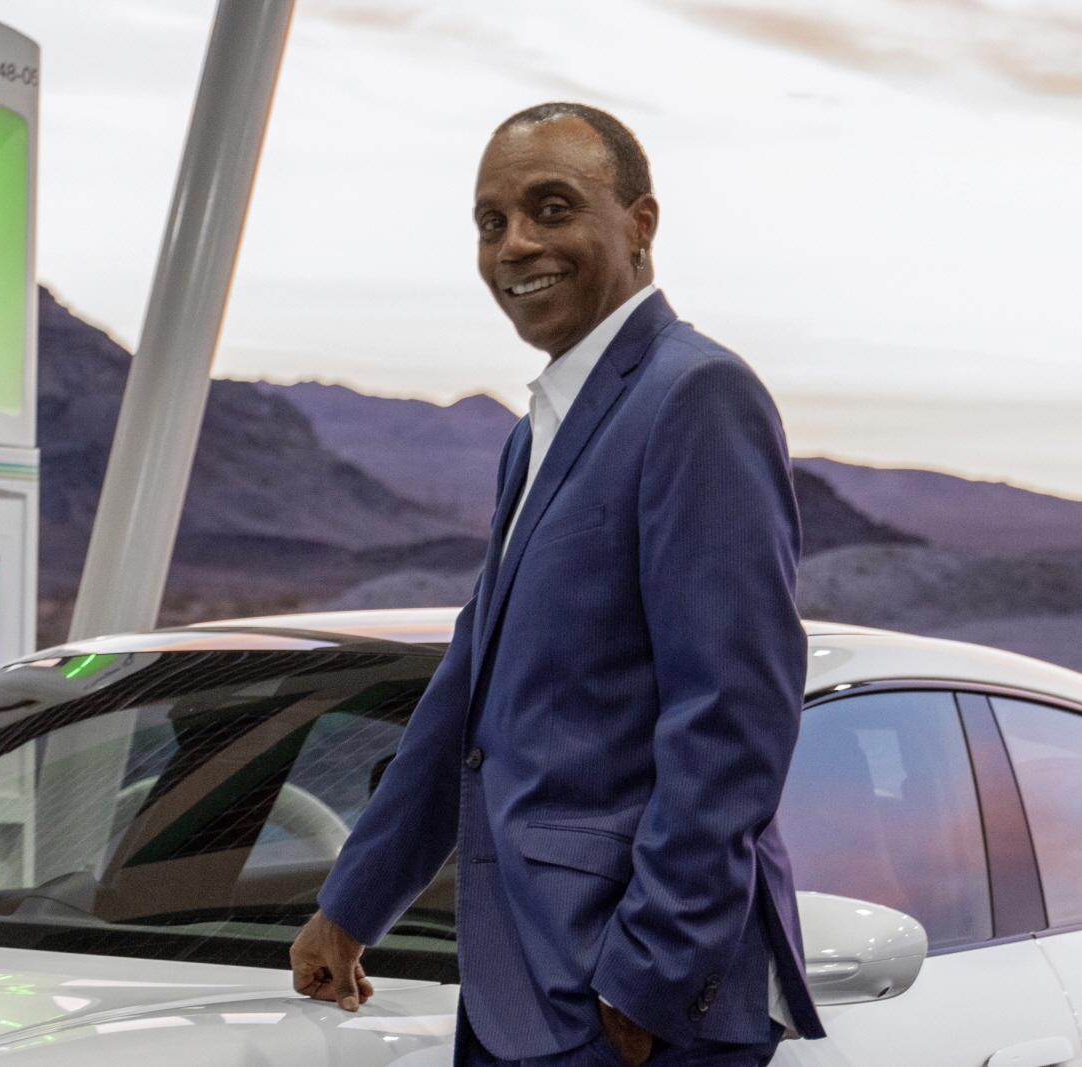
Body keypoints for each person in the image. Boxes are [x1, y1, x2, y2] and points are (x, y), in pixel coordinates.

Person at [289, 103, 825, 1067]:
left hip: (626, 1002)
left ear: (640, 222)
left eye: (551, 208)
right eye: (491, 222)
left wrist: (649, 973)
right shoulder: (536, 432)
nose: (516, 245)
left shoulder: (695, 394)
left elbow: (732, 712)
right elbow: (468, 693)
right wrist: (352, 903)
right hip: (522, 983)